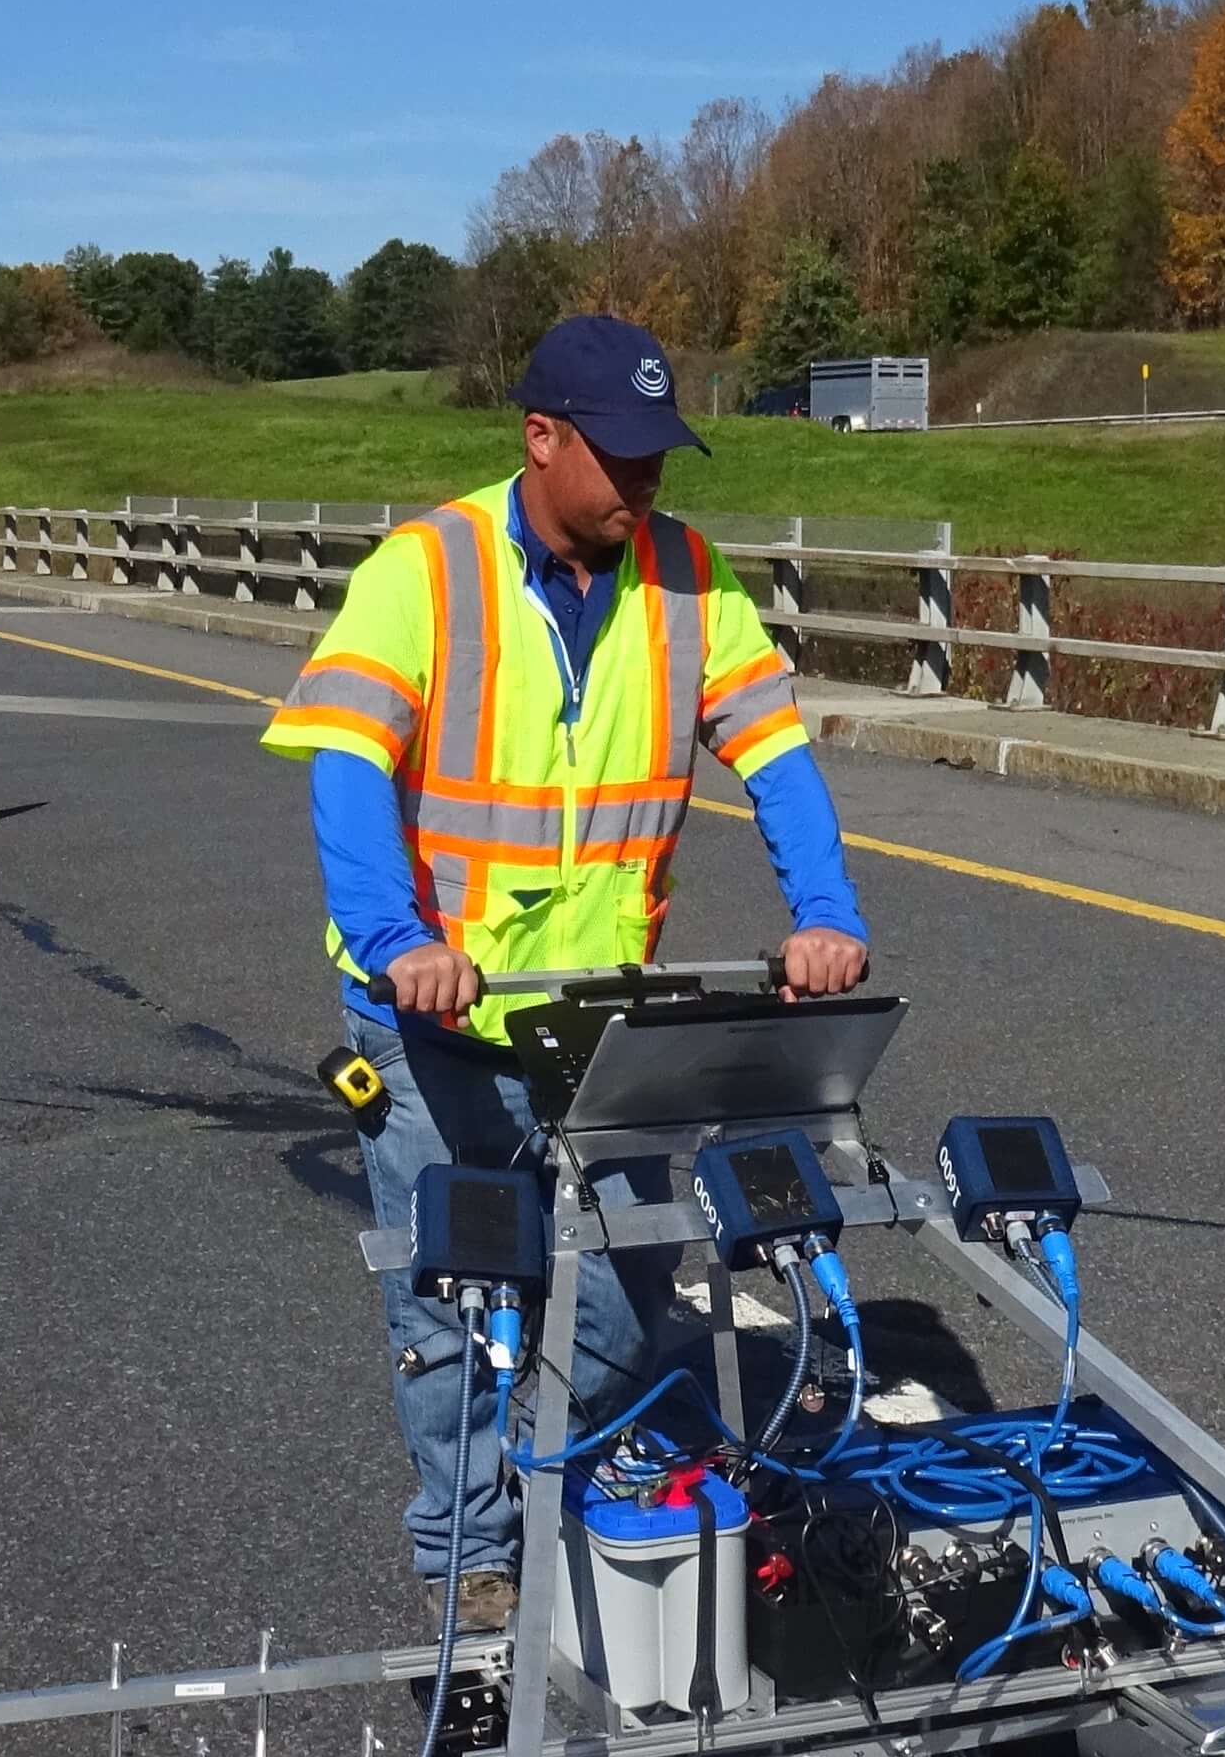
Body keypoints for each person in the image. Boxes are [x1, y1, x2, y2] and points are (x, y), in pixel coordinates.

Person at [260, 314, 874, 1635]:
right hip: (439, 1020)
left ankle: (587, 1509)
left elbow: (776, 756)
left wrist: (825, 912)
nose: (648, 482)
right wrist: (397, 943)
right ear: (543, 437)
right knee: (456, 1307)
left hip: (602, 1025)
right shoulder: (428, 570)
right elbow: (348, 765)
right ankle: (472, 1564)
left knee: (625, 1291)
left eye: (663, 455)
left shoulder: (690, 578)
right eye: (624, 455)